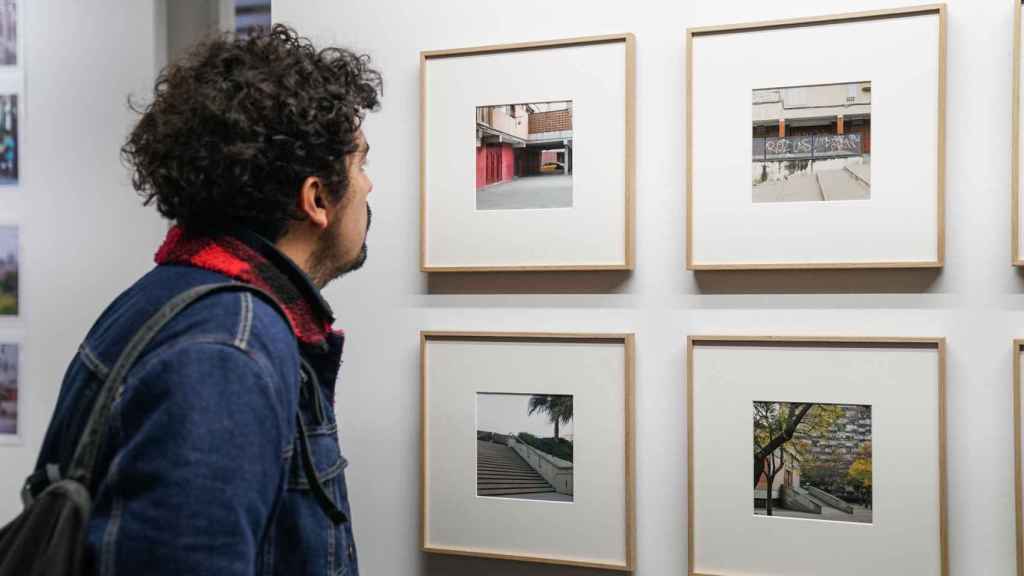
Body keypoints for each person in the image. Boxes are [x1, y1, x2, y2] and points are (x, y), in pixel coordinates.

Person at [26, 24, 381, 575]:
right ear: (316, 198)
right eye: (360, 163)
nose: (368, 185)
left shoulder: (174, 293)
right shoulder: (227, 349)